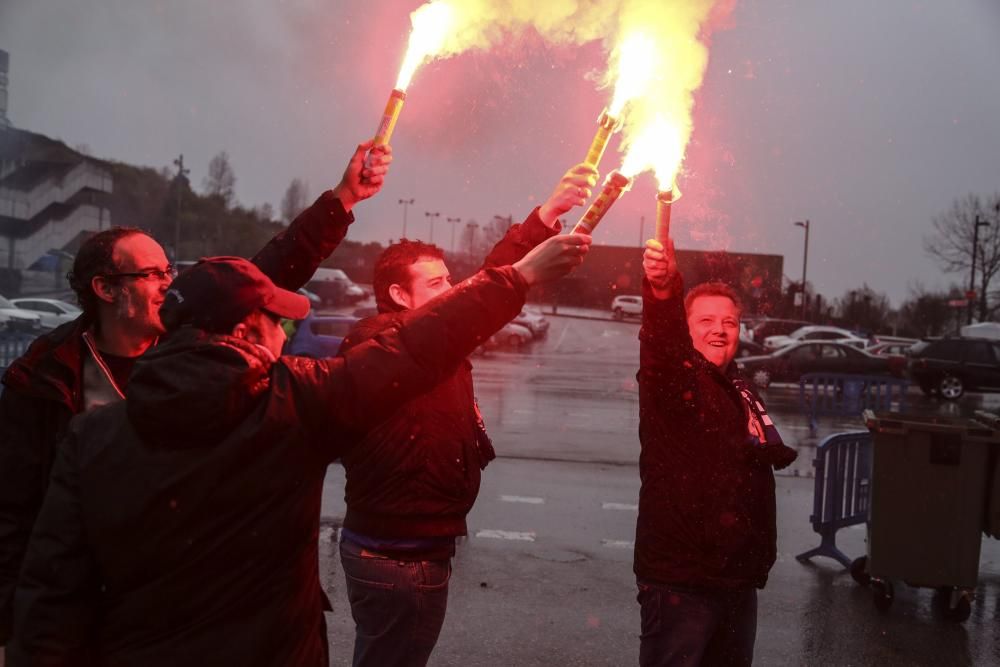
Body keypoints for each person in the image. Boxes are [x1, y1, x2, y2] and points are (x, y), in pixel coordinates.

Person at [9, 233, 591, 665]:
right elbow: (415, 349)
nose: (284, 335)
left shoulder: (93, 435)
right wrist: (515, 278)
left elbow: (51, 595)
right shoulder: (294, 405)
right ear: (243, 331)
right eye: (276, 322)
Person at [0, 140, 392, 656]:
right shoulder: (45, 379)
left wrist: (344, 197)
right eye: (153, 274)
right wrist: (17, 630)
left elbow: (265, 274)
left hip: (214, 603)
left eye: (169, 271)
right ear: (105, 288)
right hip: (117, 615)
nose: (169, 283)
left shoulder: (192, 346)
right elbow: (15, 517)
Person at [336, 164, 598, 667]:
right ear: (398, 295)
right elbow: (483, 297)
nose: (453, 290)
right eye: (437, 283)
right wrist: (521, 268)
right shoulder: (382, 345)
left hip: (407, 550)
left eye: (449, 279)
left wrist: (547, 214)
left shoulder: (423, 343)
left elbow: (484, 288)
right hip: (399, 556)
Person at [635, 237, 796, 667]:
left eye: (730, 322)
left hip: (735, 580)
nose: (719, 330)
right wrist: (663, 292)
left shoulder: (740, 387)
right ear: (683, 327)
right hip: (682, 582)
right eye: (705, 319)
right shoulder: (672, 381)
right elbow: (661, 345)